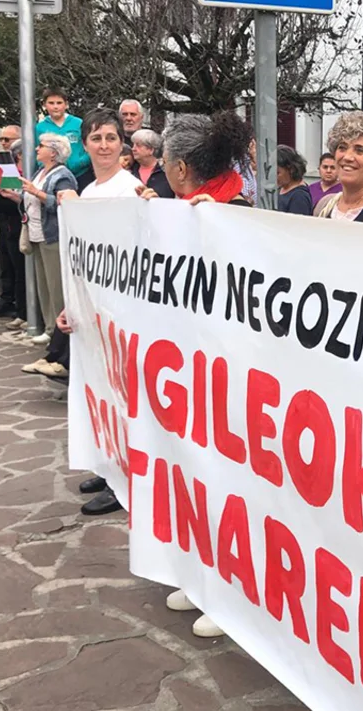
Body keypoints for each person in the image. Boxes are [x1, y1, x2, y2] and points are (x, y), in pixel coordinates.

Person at [136, 110, 255, 641]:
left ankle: (230, 596)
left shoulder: (236, 213)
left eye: (164, 163)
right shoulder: (186, 210)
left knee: (227, 492)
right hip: (191, 375)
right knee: (195, 485)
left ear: (181, 167)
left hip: (230, 378)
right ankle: (203, 579)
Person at [52, 108, 144, 519]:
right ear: (85, 144)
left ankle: (125, 478)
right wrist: (70, 304)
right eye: (96, 138)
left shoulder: (131, 190)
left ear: (122, 143)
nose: (104, 145)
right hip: (91, 313)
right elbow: (81, 262)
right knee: (99, 393)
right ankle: (108, 467)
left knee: (122, 396)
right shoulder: (87, 192)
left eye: (110, 137)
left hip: (121, 312)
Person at [8, 133, 77, 347]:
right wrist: (15, 195)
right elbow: (30, 198)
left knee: (55, 287)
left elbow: (63, 204)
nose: (37, 149)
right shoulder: (41, 172)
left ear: (54, 152)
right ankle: (49, 328)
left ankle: (58, 334)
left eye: (42, 146)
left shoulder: (63, 176)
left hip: (52, 235)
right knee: (44, 286)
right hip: (37, 234)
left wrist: (36, 192)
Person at [0, 126, 25, 319]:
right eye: (1, 139)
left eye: (8, 139)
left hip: (16, 221)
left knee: (17, 265)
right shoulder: (2, 163)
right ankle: (6, 299)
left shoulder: (23, 167)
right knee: (5, 262)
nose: (4, 143)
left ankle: (19, 306)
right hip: (3, 220)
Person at [36, 88, 90, 180]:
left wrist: (81, 162)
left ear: (66, 104)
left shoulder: (78, 123)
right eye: (51, 103)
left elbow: (90, 146)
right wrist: (47, 166)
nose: (55, 107)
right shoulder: (40, 127)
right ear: (44, 105)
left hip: (81, 174)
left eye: (59, 103)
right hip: (54, 176)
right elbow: (38, 152)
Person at [129, 129, 174, 199]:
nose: (133, 149)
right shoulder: (129, 169)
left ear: (151, 150)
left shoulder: (166, 171)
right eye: (133, 145)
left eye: (138, 145)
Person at [275, 144, 313, 215]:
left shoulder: (299, 197)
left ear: (291, 169)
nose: (274, 177)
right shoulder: (280, 188)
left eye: (277, 173)